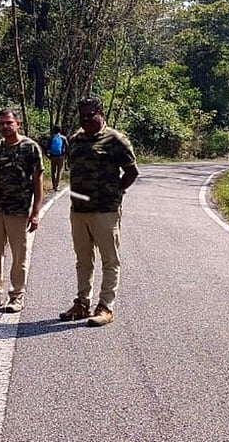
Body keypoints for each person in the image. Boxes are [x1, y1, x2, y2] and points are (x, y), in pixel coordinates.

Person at [59, 96, 138, 327]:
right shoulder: (74, 140)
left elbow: (132, 172)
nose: (86, 120)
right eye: (82, 116)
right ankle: (82, 303)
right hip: (79, 210)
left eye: (90, 115)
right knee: (83, 259)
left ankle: (105, 307)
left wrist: (116, 192)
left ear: (100, 113)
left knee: (109, 260)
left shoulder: (116, 139)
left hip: (105, 210)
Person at [0, 108, 44, 313]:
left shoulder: (30, 147)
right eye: (2, 123)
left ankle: (16, 296)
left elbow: (38, 180)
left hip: (19, 211)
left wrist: (35, 212)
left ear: (18, 124)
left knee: (19, 255)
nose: (5, 127)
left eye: (9, 123)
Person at [46, 124, 69, 191]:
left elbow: (47, 147)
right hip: (60, 156)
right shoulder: (63, 138)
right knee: (59, 171)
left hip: (53, 156)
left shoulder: (51, 138)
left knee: (53, 171)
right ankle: (57, 186)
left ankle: (53, 185)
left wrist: (48, 156)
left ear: (53, 130)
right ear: (60, 130)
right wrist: (65, 155)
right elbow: (67, 147)